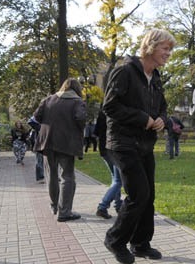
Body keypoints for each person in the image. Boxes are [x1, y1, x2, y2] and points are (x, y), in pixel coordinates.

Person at [102, 28, 175, 264]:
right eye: (166, 48)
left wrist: (163, 119)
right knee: (138, 194)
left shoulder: (156, 78)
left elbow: (162, 107)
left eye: (170, 49)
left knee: (149, 195)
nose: (168, 54)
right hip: (122, 143)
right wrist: (143, 118)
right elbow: (110, 107)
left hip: (144, 144)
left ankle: (141, 244)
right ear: (151, 46)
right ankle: (115, 239)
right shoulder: (124, 72)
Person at [33, 78, 86, 222]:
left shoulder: (48, 99)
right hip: (67, 143)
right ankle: (64, 212)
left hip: (47, 142)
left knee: (51, 176)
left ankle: (55, 206)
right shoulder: (77, 101)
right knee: (67, 176)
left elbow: (37, 116)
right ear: (77, 89)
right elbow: (81, 118)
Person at [94, 110, 123, 219]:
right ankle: (103, 206)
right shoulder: (117, 111)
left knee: (115, 179)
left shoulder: (102, 111)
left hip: (104, 150)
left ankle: (118, 205)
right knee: (118, 180)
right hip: (114, 148)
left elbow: (96, 131)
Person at [27, 116, 45, 183]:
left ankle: (54, 176)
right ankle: (40, 177)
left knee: (53, 160)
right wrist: (40, 128)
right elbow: (30, 121)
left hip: (50, 142)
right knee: (39, 160)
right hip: (40, 142)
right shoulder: (40, 112)